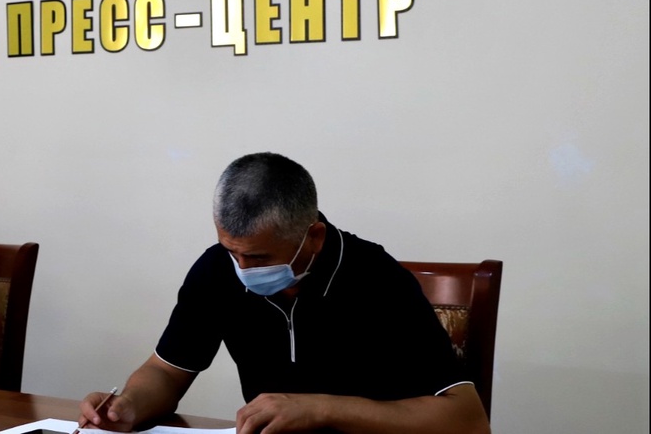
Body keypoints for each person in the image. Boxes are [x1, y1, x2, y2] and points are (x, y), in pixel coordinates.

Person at [78, 153, 490, 434]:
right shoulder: (216, 270)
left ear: (314, 236)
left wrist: (318, 409)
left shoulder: (376, 278)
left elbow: (467, 421)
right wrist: (128, 405)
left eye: (258, 257)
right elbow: (167, 371)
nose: (243, 269)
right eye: (232, 252)